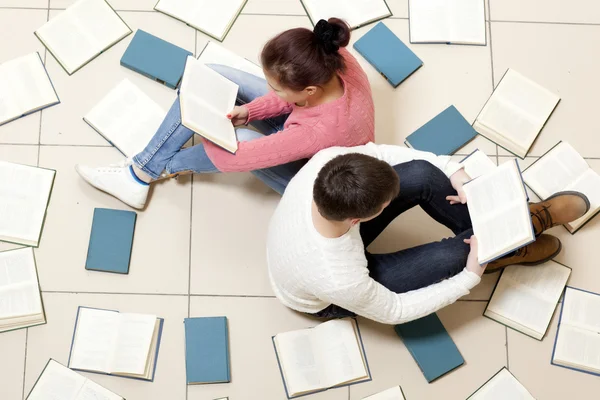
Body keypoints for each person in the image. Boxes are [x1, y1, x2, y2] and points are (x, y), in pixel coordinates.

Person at [266, 143, 590, 324]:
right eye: (384, 204)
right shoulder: (340, 278)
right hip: (325, 293)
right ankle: (500, 250)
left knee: (421, 173)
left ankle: (512, 225)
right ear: (358, 220)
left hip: (321, 242)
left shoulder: (329, 162)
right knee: (457, 256)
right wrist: (471, 276)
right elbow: (394, 310)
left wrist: (453, 171)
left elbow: (386, 155)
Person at [74, 18, 374, 209]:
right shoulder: (330, 56)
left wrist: (191, 141)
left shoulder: (315, 131)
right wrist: (252, 109)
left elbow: (237, 158)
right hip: (316, 126)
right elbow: (297, 101)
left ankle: (146, 171)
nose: (273, 91)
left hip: (317, 178)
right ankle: (143, 170)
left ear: (309, 89)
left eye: (278, 89)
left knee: (237, 139)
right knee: (214, 75)